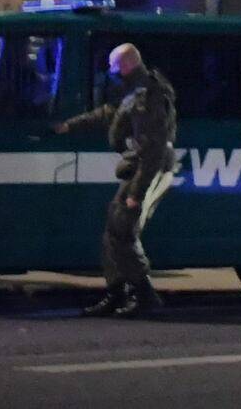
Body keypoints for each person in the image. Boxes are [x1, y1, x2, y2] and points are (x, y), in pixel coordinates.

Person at [55, 43, 179, 318]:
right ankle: (116, 292)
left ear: (125, 66)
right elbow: (111, 113)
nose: (110, 73)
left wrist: (136, 192)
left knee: (123, 230)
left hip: (148, 170)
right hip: (138, 168)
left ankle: (144, 294)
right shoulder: (135, 92)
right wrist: (71, 125)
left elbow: (153, 150)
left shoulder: (148, 96)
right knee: (112, 230)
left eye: (113, 67)